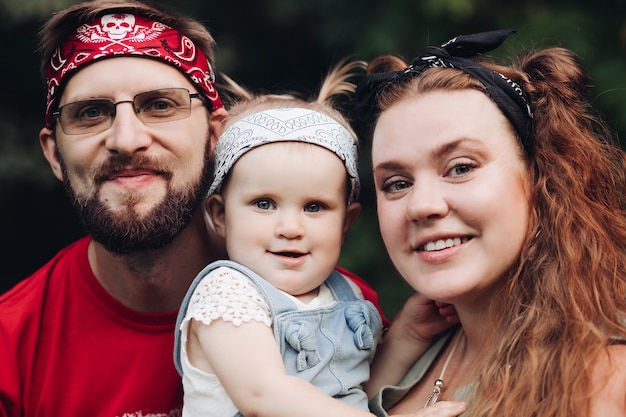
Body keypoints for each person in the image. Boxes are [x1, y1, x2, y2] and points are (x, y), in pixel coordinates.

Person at [0, 2, 386, 416]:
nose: (126, 139)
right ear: (54, 154)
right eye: (91, 113)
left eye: (160, 105)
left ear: (215, 136)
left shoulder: (334, 306)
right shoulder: (11, 344)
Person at [353, 29, 626, 417]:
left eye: (460, 167)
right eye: (397, 183)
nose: (422, 206)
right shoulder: (372, 362)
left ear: (538, 178)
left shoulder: (604, 377)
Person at [172, 62, 466, 417]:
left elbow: (354, 392)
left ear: (346, 221)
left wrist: (409, 334)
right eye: (264, 204)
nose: (291, 227)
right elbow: (264, 396)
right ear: (220, 215)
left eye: (314, 207)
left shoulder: (346, 297)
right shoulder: (226, 294)